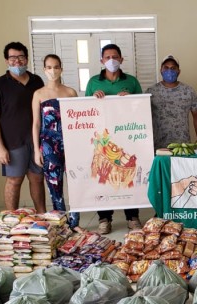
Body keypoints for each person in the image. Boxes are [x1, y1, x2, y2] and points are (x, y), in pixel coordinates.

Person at [85, 43, 143, 234]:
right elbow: (86, 110)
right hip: (102, 137)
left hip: (127, 135)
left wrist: (130, 99)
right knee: (104, 175)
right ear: (101, 60)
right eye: (107, 57)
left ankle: (133, 218)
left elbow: (141, 108)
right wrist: (94, 97)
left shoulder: (132, 81)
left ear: (121, 59)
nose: (112, 60)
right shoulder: (93, 82)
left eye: (115, 57)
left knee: (127, 174)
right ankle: (104, 219)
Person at [0, 41, 46, 213]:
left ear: (26, 58)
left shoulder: (37, 81)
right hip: (12, 143)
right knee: (14, 180)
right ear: (6, 60)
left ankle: (42, 217)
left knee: (37, 179)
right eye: (12, 58)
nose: (17, 61)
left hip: (36, 141)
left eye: (20, 57)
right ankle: (12, 221)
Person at [31, 54, 80, 229]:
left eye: (56, 67)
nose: (53, 70)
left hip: (71, 144)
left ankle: (74, 224)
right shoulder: (38, 94)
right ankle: (61, 225)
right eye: (49, 67)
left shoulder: (70, 92)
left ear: (61, 69)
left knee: (75, 183)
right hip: (48, 145)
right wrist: (37, 151)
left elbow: (78, 121)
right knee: (54, 186)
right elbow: (36, 123)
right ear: (44, 70)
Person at [145, 55, 197, 150]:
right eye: (166, 68)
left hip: (183, 146)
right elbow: (143, 116)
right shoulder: (151, 92)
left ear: (178, 71)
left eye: (173, 68)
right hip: (158, 146)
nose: (169, 71)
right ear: (161, 70)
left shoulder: (188, 91)